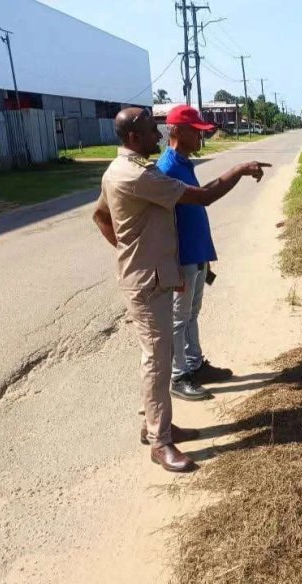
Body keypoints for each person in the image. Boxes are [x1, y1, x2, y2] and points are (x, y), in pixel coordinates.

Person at [92, 107, 270, 472]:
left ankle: (155, 425)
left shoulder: (118, 170)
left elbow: (100, 216)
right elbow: (203, 197)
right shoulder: (140, 176)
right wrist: (238, 168)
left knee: (159, 354)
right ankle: (160, 443)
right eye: (148, 131)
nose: (157, 136)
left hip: (148, 275)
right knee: (157, 362)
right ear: (131, 138)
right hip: (148, 281)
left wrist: (130, 251)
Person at [157, 105, 233, 401]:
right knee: (178, 318)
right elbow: (165, 224)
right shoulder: (166, 168)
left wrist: (206, 258)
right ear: (177, 131)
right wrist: (172, 263)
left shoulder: (184, 162)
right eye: (196, 131)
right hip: (182, 259)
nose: (201, 137)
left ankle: (195, 363)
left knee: (192, 314)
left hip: (196, 255)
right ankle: (178, 376)